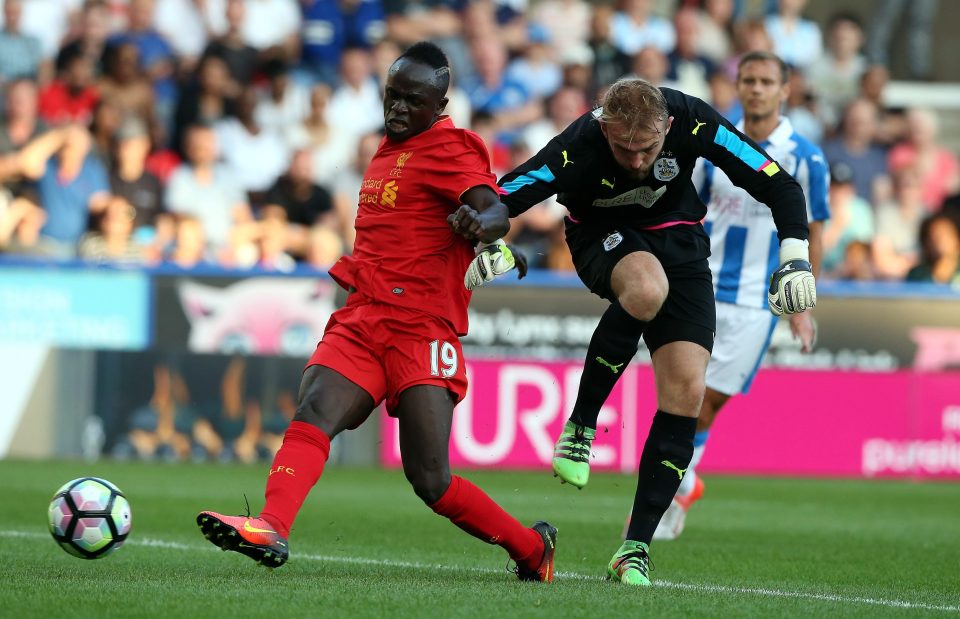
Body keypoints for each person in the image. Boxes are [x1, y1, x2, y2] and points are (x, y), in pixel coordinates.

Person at [196, 41, 557, 583]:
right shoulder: (387, 148)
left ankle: (532, 549)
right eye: (392, 96)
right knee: (314, 408)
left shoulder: (451, 146)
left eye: (413, 100)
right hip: (365, 316)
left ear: (439, 105)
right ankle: (271, 525)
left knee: (431, 479)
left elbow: (493, 206)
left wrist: (485, 227)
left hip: (421, 328)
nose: (398, 109)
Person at [482, 76, 816, 586]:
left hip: (680, 242)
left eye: (648, 148)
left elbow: (778, 183)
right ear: (603, 126)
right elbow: (506, 193)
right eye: (623, 148)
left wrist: (795, 259)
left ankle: (633, 548)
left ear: (669, 127)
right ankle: (580, 426)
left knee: (686, 391)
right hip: (600, 237)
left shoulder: (695, 119)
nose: (637, 160)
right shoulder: (579, 145)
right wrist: (482, 236)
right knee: (645, 288)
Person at [651, 51, 829, 541]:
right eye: (747, 79)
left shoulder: (805, 157)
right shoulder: (713, 143)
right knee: (678, 393)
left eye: (766, 81)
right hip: (700, 286)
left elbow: (813, 229)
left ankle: (678, 486)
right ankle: (673, 489)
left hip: (756, 301)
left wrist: (803, 304)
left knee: (707, 403)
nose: (755, 88)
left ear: (784, 90)